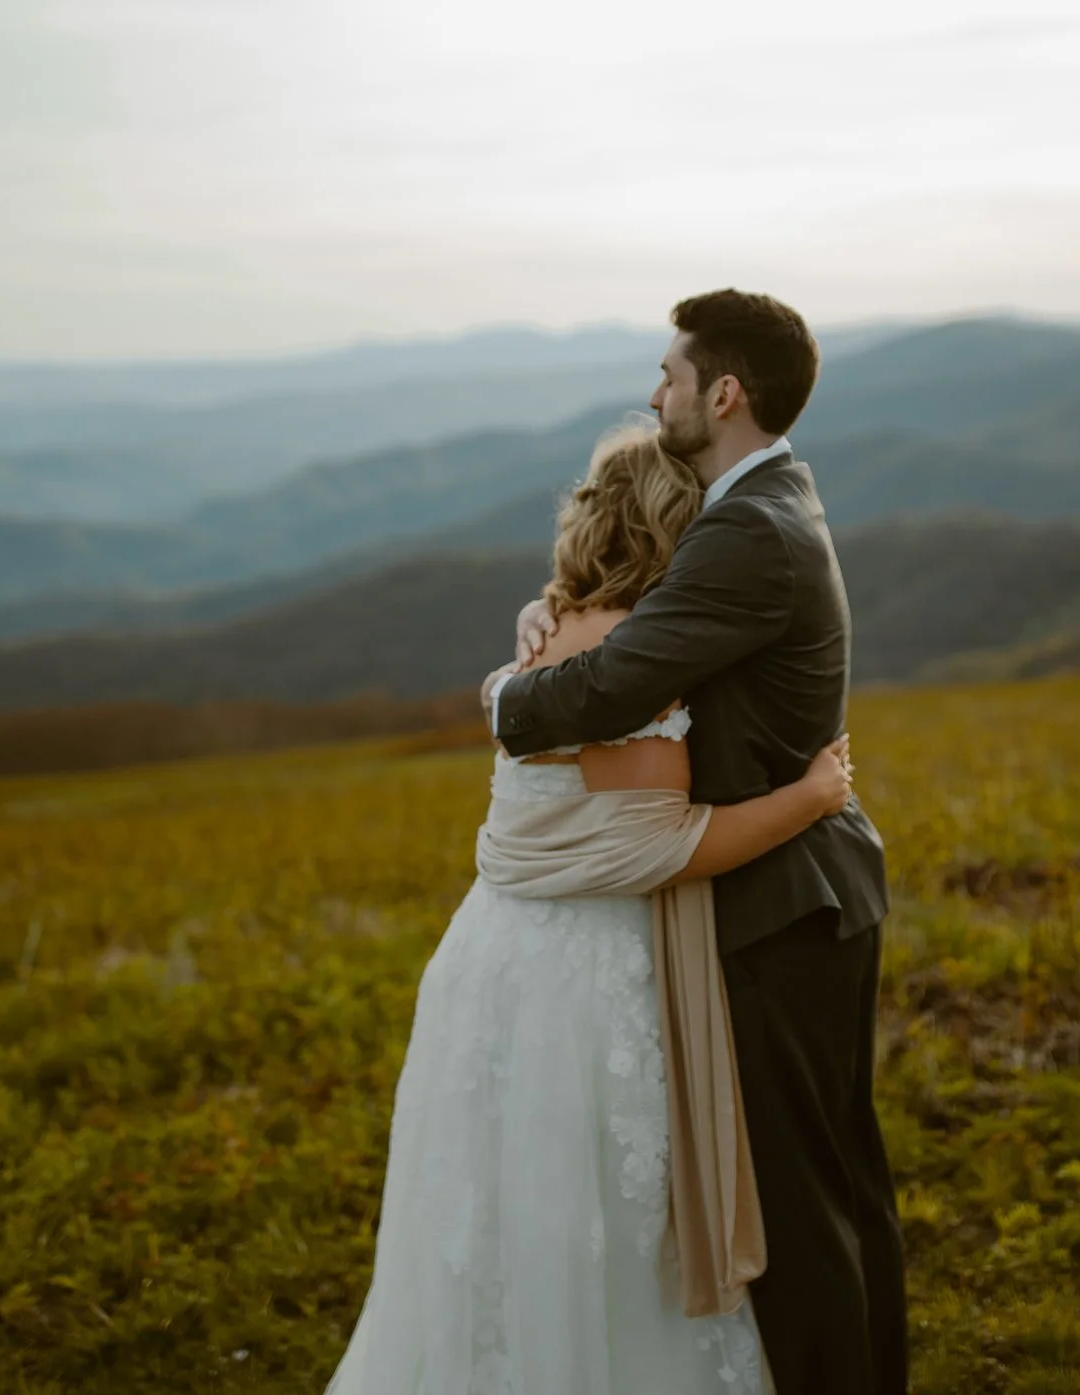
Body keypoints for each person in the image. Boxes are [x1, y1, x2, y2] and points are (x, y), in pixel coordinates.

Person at [327, 420, 852, 1393]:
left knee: (495, 1222)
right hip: (584, 983)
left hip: (491, 957)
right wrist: (806, 799)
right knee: (597, 1222)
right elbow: (648, 842)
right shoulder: (628, 651)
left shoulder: (557, 626)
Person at [489, 290, 907, 1395]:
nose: (653, 393)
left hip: (778, 900)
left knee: (805, 1207)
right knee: (840, 1183)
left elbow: (620, 679)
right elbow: (638, 623)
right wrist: (546, 608)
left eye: (668, 376)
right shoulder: (766, 503)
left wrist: (503, 696)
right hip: (810, 887)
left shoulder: (747, 526)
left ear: (722, 393)